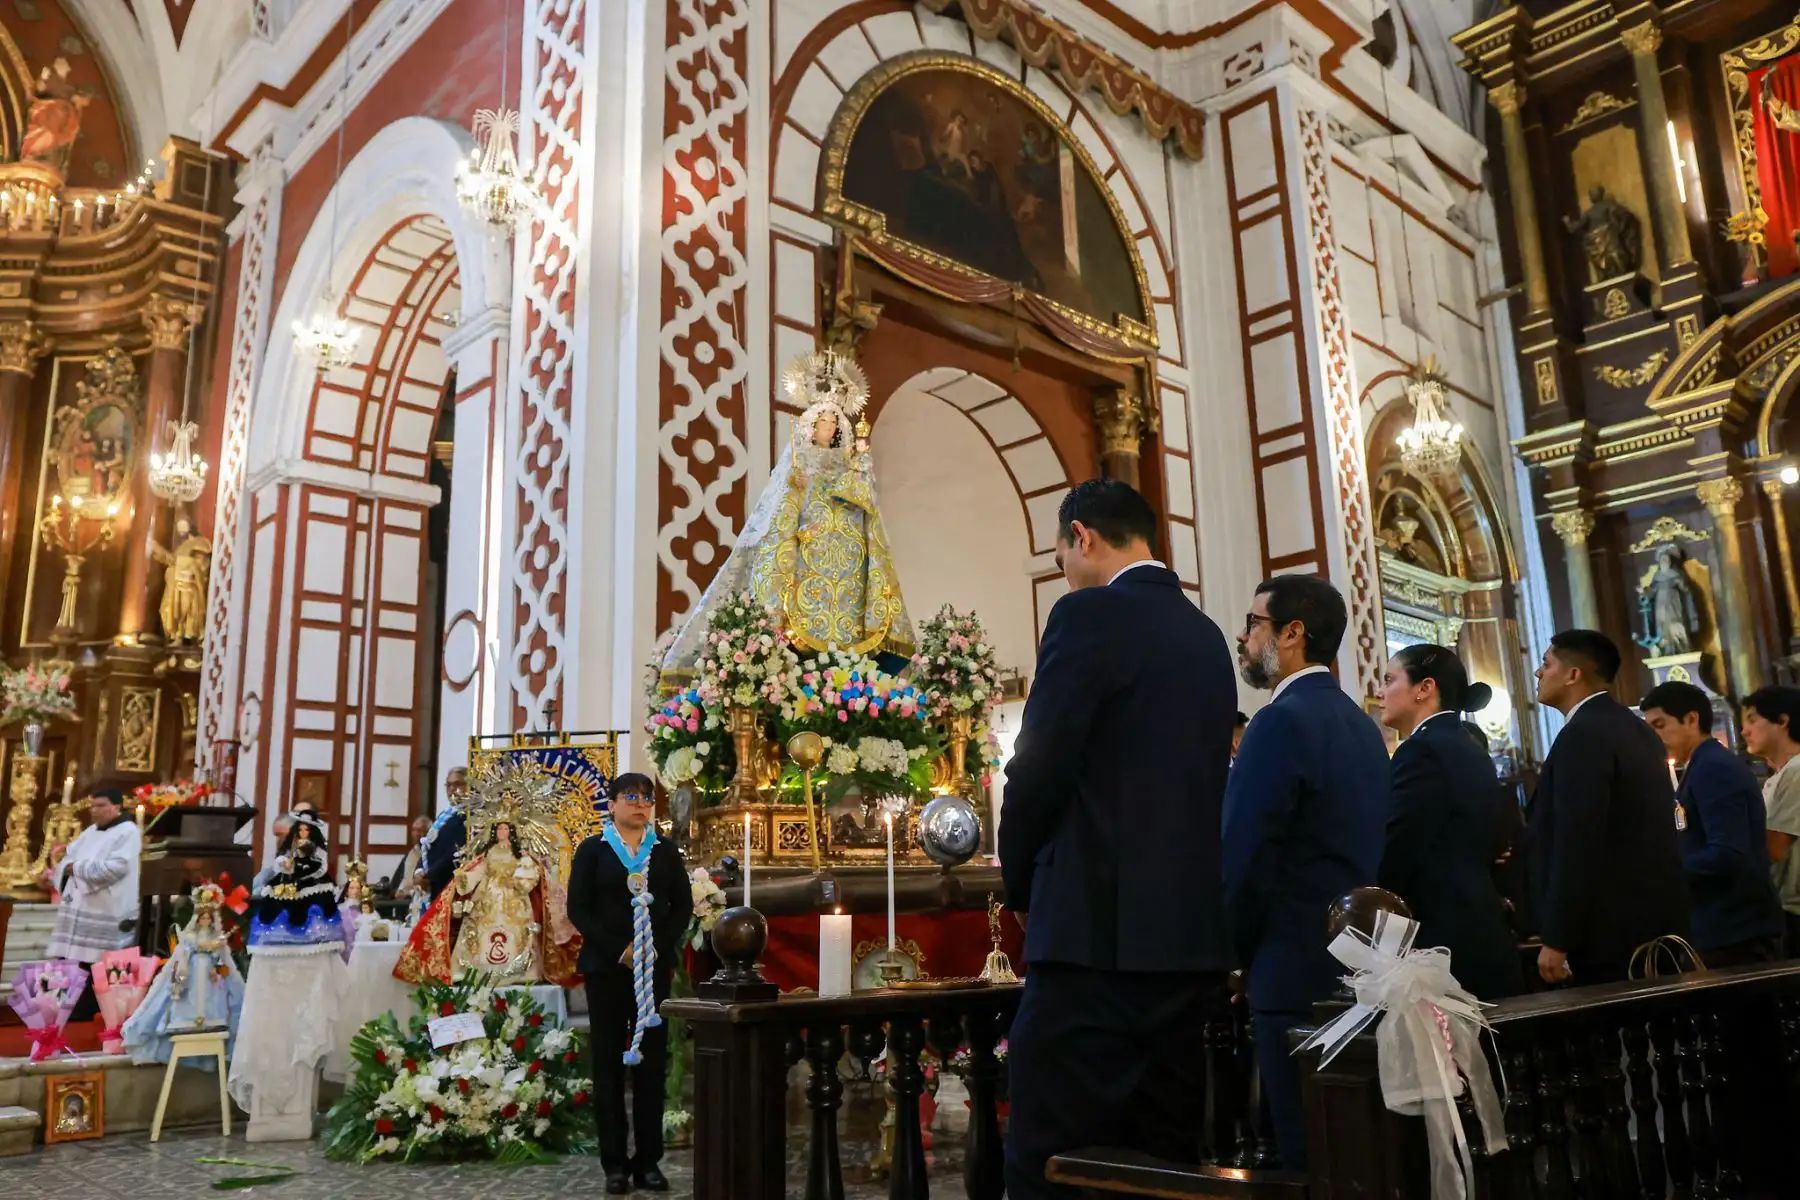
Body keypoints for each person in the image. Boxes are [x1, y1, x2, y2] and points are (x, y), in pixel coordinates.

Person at [999, 479, 1236, 1199]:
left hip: (1093, 939)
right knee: (1161, 1160)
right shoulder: (1206, 637)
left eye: (1061, 558)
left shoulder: (1089, 614)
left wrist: (1020, 886)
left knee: (1050, 1156)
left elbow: (1038, 766)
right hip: (1187, 944)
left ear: (1083, 537)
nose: (1066, 574)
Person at [1223, 574, 1390, 1170]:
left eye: (1253, 624)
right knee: (1354, 1147)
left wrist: (1234, 955)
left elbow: (1246, 852)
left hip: (1290, 963)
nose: (1243, 638)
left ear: (1292, 633)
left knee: (1304, 1148)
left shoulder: (1279, 721)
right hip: (1357, 961)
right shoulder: (1361, 725)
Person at [1525, 630, 1688, 986]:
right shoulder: (1636, 729)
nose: (1538, 673)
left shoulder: (1583, 734)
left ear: (1573, 675)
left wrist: (1558, 937)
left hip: (1606, 933)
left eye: (1546, 664)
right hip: (1652, 920)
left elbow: (1578, 839)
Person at [1375, 644, 1523, 1001]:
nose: (1380, 692)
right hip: (1479, 922)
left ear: (1425, 688)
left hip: (1440, 936)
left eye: (1390, 680)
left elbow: (1398, 846)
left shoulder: (1421, 750)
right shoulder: (1469, 746)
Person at [567, 773, 688, 1195]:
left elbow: (681, 906)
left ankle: (648, 1162)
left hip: (652, 968)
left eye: (647, 799)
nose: (640, 804)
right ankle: (614, 1164)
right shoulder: (593, 850)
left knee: (652, 1066)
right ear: (612, 804)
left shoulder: (664, 852)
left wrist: (656, 945)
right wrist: (618, 949)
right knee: (608, 1066)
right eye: (631, 797)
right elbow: (579, 908)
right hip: (606, 969)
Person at [1640, 680, 1784, 965]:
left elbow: (1729, 852)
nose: (1653, 736)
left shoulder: (1713, 767)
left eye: (1660, 725)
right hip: (1722, 925)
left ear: (1691, 719)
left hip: (1736, 928)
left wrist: (1664, 871)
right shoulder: (1701, 765)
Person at [45, 788, 142, 1019]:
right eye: (93, 806)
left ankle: (93, 1013)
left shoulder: (128, 832)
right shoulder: (90, 831)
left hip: (105, 909)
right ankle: (65, 1011)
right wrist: (71, 868)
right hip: (80, 907)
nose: (94, 811)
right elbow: (66, 860)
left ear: (116, 807)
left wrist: (76, 868)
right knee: (73, 961)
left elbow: (114, 868)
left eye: (100, 806)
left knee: (97, 964)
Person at [1742, 685, 1800, 952]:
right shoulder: (1780, 776)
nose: (1744, 731)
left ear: (1783, 721)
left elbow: (1774, 849)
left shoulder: (1797, 771)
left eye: (1752, 720)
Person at [422, 767, 470, 900]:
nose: (452, 789)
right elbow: (427, 844)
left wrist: (429, 876)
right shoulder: (444, 815)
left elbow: (456, 850)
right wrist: (419, 871)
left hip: (450, 883)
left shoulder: (470, 816)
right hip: (433, 882)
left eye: (458, 784)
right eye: (448, 785)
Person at [387, 814, 432, 897]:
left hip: (416, 897)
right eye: (414, 830)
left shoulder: (431, 854)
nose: (416, 834)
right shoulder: (411, 853)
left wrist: (409, 894)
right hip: (400, 897)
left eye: (420, 830)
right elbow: (396, 880)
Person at [250, 813, 295, 893]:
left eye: (280, 835)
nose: (278, 840)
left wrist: (256, 893)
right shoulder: (281, 854)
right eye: (276, 835)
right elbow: (262, 877)